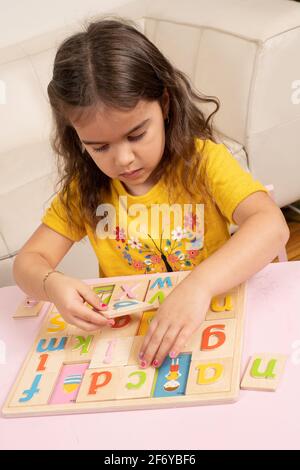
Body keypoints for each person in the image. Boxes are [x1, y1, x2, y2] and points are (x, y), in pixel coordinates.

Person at [13, 17, 289, 370]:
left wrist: (197, 286)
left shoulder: (203, 162)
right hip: (135, 341)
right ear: (76, 139)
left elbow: (271, 225)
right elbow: (28, 262)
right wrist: (52, 285)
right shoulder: (86, 189)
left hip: (213, 313)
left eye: (136, 135)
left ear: (165, 104)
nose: (123, 159)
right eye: (99, 147)